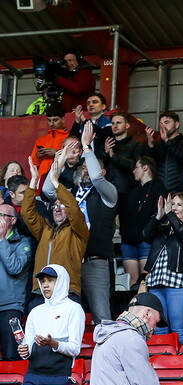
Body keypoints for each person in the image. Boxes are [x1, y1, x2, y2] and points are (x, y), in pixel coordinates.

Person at [41, 124, 116, 322]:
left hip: (95, 261)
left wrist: (87, 148)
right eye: (82, 167)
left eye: (88, 167)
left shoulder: (108, 193)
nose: (85, 170)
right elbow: (48, 191)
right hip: (68, 262)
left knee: (102, 316)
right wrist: (62, 156)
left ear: (103, 171)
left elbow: (97, 179)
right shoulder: (71, 194)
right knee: (65, 316)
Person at [18, 265, 84, 385]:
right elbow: (28, 346)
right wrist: (24, 351)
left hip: (59, 377)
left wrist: (53, 343)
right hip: (33, 376)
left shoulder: (74, 309)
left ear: (61, 281)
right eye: (43, 281)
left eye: (50, 281)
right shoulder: (35, 311)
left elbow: (75, 348)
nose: (45, 285)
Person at [22, 152, 89, 298]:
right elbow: (27, 213)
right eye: (55, 206)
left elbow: (75, 210)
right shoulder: (45, 230)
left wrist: (56, 183)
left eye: (62, 206)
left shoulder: (78, 232)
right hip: (41, 291)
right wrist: (34, 181)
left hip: (67, 291)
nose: (58, 208)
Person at [142, 192, 183, 343]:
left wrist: (170, 214)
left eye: (178, 204)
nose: (173, 208)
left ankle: (180, 364)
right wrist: (158, 217)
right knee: (159, 329)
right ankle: (163, 364)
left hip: (180, 282)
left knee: (179, 330)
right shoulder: (161, 228)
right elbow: (145, 235)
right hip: (157, 282)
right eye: (172, 204)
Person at [120, 157, 165, 287]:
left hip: (147, 241)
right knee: (132, 283)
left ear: (145, 168)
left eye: (136, 167)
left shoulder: (159, 188)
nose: (133, 171)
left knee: (145, 281)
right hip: (129, 241)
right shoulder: (133, 191)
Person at [0, 203, 30, 362]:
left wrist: (2, 239)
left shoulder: (23, 243)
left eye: (2, 215)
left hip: (10, 306)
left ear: (13, 220)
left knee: (11, 357)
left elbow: (15, 268)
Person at [145, 111, 183, 195]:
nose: (163, 126)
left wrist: (167, 141)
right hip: (159, 192)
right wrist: (150, 145)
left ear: (176, 125)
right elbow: (149, 165)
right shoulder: (159, 144)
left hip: (178, 193)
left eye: (167, 123)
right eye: (161, 124)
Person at [31, 103, 69, 182]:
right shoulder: (40, 140)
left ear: (63, 119)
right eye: (49, 120)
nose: (51, 123)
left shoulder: (69, 138)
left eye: (55, 120)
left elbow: (74, 158)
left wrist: (56, 153)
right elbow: (33, 163)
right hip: (41, 178)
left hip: (62, 178)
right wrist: (38, 157)